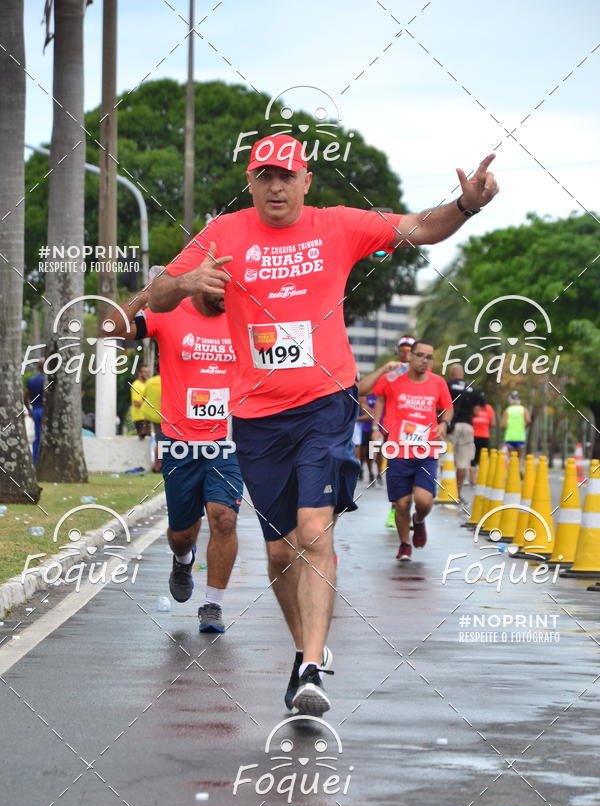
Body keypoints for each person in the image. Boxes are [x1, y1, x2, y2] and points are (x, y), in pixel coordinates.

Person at [143, 134, 498, 715]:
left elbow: (421, 228)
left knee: (314, 533)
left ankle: (312, 668)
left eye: (286, 176)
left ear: (306, 181)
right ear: (250, 183)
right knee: (280, 553)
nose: (275, 186)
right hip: (256, 416)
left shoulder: (338, 225)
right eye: (264, 176)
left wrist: (465, 206)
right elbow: (153, 297)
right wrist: (184, 282)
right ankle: (302, 654)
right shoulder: (223, 233)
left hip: (325, 403)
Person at [102, 283, 243, 634]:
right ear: (202, 281)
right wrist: (148, 293)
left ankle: (212, 605)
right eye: (220, 286)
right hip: (179, 442)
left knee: (224, 517)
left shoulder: (243, 315)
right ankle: (183, 560)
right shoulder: (168, 312)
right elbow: (110, 327)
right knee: (182, 534)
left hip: (226, 441)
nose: (228, 294)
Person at [360, 340, 453, 560]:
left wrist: (444, 424)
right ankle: (404, 544)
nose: (424, 360)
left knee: (424, 501)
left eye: (429, 357)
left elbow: (448, 407)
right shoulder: (393, 379)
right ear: (410, 356)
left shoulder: (438, 382)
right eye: (420, 355)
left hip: (425, 451)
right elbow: (362, 389)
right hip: (398, 450)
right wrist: (383, 369)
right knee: (401, 504)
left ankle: (418, 521)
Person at [379, 335, 415, 527]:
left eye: (410, 350)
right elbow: (380, 398)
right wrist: (377, 427)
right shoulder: (391, 372)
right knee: (395, 472)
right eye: (403, 349)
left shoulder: (423, 372)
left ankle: (406, 512)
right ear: (397, 351)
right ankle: (394, 510)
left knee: (414, 473)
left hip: (416, 432)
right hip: (393, 431)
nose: (405, 353)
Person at [445, 363, 485, 500]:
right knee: (463, 463)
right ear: (462, 374)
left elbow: (439, 406)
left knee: (447, 459)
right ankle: (457, 493)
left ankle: (445, 491)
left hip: (450, 426)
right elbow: (477, 411)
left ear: (451, 374)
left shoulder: (447, 385)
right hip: (467, 426)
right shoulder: (473, 389)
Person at [142, 366, 163, 473]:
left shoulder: (149, 381)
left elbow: (144, 397)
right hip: (162, 416)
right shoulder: (168, 381)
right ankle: (157, 466)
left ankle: (145, 427)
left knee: (159, 440)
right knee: (161, 441)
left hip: (150, 414)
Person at [470, 399, 496, 484]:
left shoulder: (473, 407)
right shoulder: (489, 408)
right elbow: (493, 423)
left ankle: (473, 480)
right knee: (483, 459)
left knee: (472, 459)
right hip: (484, 436)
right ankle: (482, 479)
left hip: (473, 436)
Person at [501, 391, 531, 464]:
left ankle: (511, 470)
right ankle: (517, 469)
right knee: (519, 457)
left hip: (509, 437)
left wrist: (509, 427)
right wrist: (524, 427)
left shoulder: (507, 410)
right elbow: (528, 421)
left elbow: (502, 425)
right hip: (520, 437)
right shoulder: (523, 410)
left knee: (511, 457)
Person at [24, 359, 44, 463]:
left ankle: (35, 461)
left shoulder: (31, 380)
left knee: (37, 437)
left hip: (35, 411)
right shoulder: (49, 380)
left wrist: (29, 410)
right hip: (45, 411)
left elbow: (25, 396)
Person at [130, 364, 149, 439]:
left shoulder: (148, 384)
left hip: (148, 418)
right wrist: (151, 403)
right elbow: (136, 403)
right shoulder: (136, 385)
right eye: (145, 372)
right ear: (140, 373)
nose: (147, 374)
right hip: (140, 418)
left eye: (148, 372)